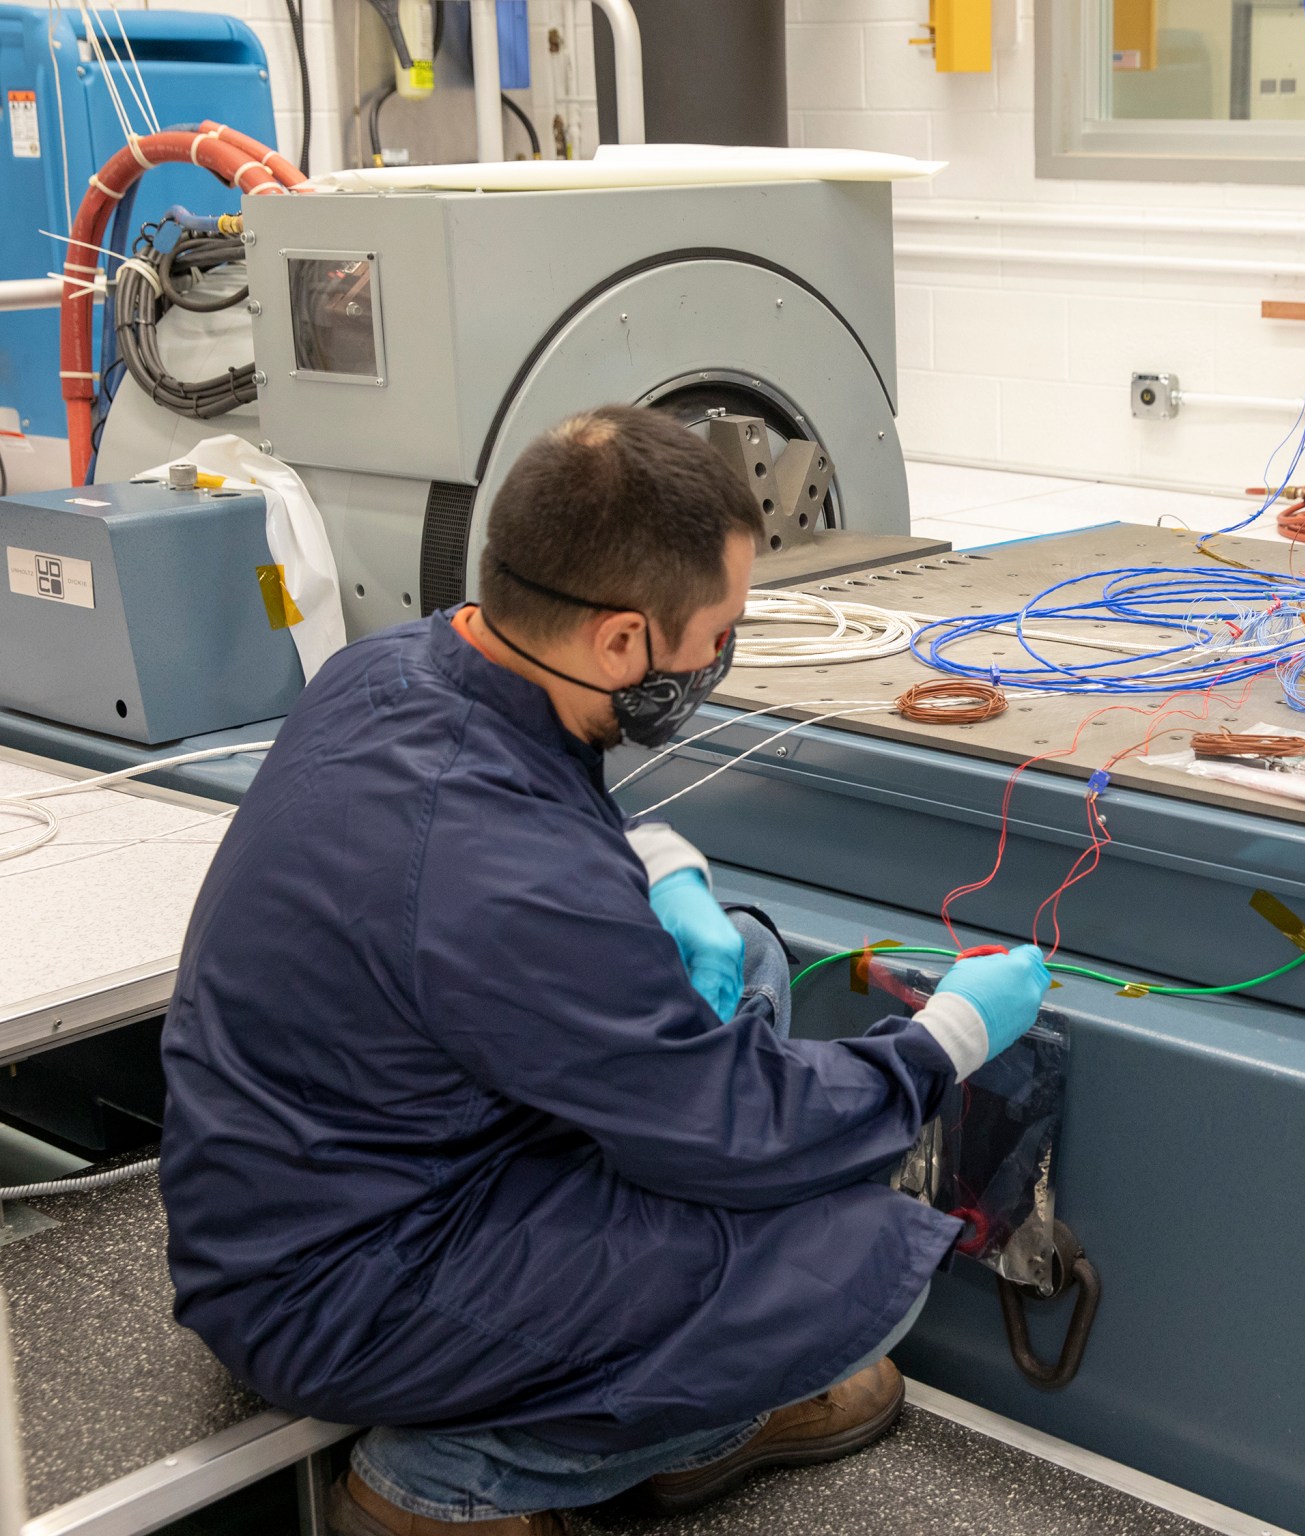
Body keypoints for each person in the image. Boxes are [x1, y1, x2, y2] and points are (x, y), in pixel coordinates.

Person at [158, 406, 1053, 1536]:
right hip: (345, 1285)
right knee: (860, 1263)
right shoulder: (506, 878)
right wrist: (943, 1041)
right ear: (623, 642)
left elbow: (511, 816)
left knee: (749, 956)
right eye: (717, 632)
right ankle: (453, 1482)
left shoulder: (391, 667)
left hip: (347, 1163)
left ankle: (636, 1394)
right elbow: (741, 1123)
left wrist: (660, 869)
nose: (720, 654)